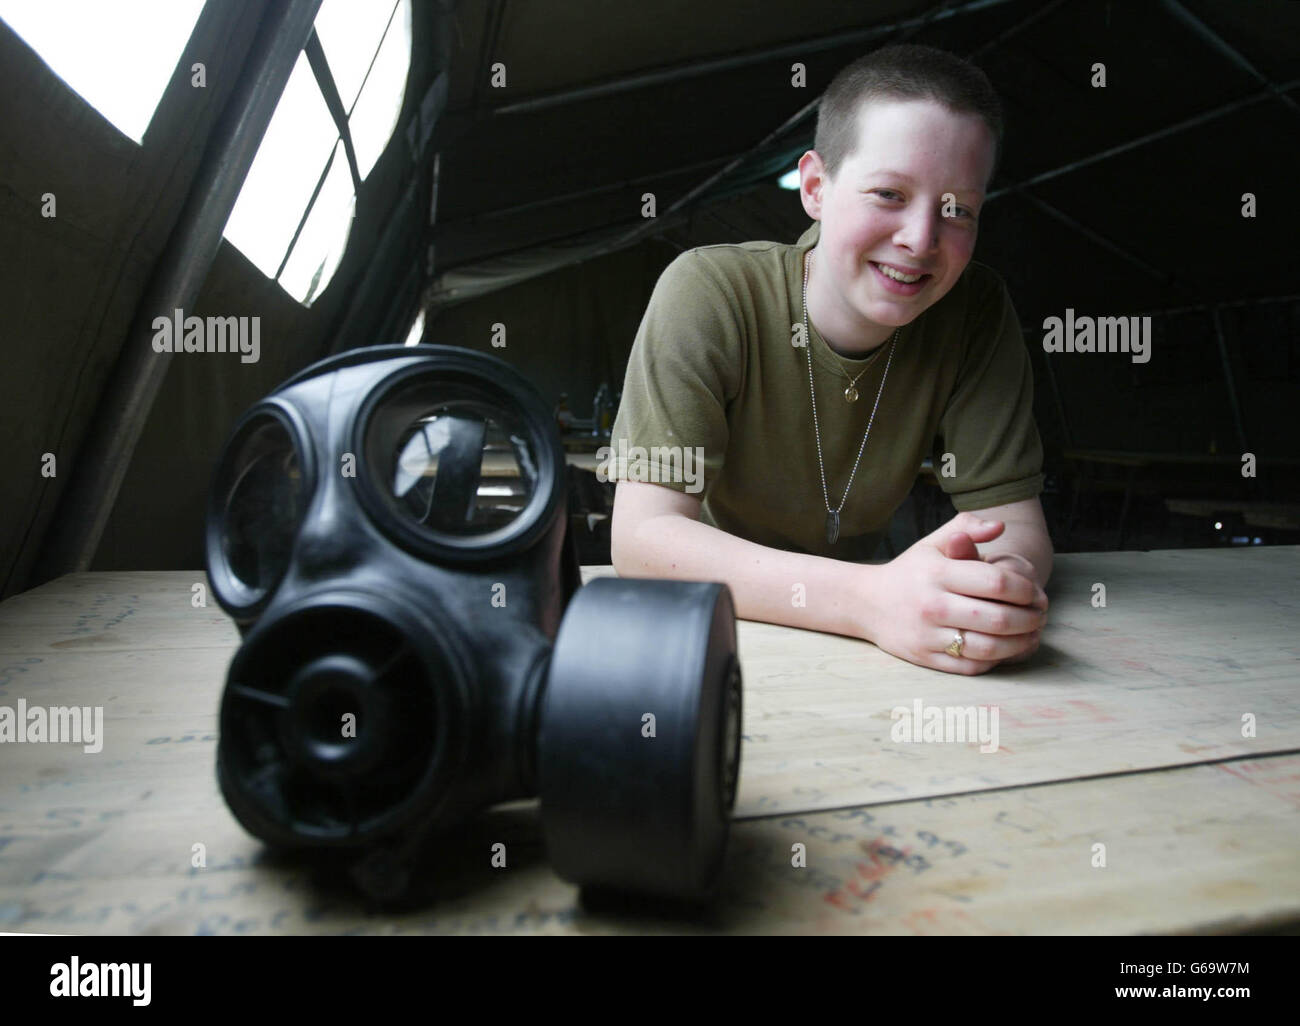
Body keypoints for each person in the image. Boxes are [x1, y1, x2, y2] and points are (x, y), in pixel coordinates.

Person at [607, 44, 1052, 676]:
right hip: (709, 627)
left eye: (957, 209)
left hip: (867, 645)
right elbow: (642, 540)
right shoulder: (710, 290)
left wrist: (995, 592)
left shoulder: (974, 310)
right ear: (815, 187)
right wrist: (871, 601)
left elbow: (1014, 526)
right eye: (890, 194)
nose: (921, 239)